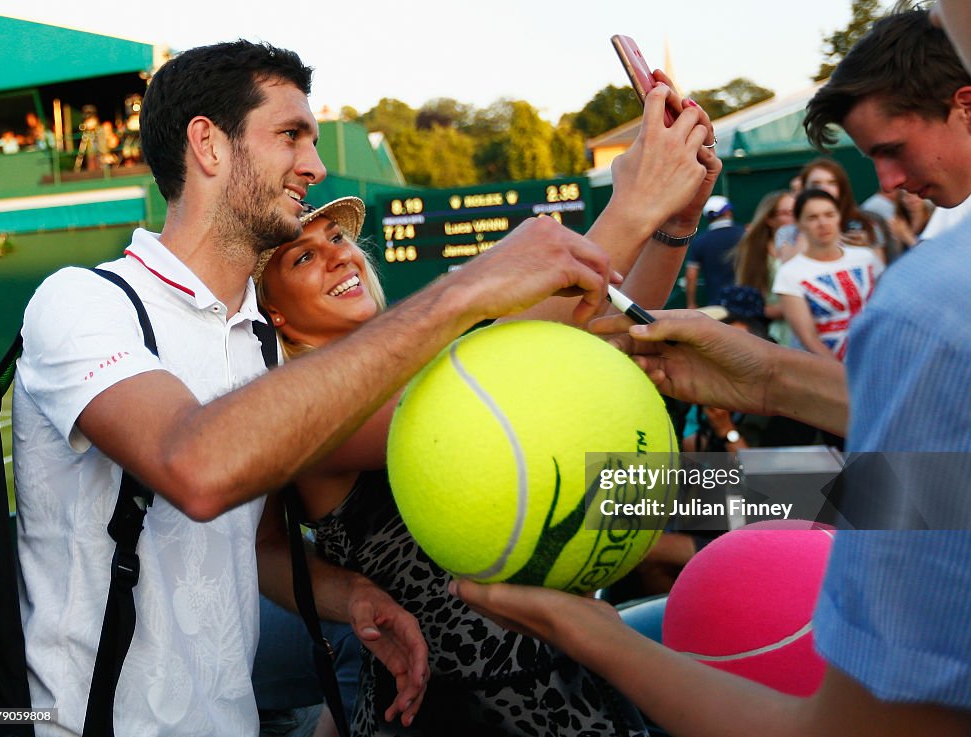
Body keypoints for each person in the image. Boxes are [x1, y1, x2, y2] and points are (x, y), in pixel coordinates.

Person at [13, 39, 644, 737]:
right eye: (290, 136)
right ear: (208, 145)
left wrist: (355, 597)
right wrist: (470, 287)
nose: (313, 166)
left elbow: (256, 548)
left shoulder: (258, 343)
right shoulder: (84, 301)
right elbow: (192, 466)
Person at [454, 8, 971, 736]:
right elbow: (951, 475)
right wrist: (770, 379)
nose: (889, 181)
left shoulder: (936, 300)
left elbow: (938, 486)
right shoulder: (944, 288)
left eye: (893, 150)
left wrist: (599, 635)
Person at [252, 80, 720, 736]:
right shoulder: (313, 414)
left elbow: (595, 331)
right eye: (304, 255)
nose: (337, 254)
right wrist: (633, 202)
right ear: (272, 311)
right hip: (453, 709)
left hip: (567, 672)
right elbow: (492, 358)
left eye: (337, 236)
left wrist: (671, 221)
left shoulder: (430, 366)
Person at [772, 188, 883, 360]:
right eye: (812, 217)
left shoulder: (866, 258)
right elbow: (808, 338)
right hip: (831, 373)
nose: (823, 223)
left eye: (829, 214)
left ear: (839, 216)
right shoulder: (790, 274)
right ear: (799, 224)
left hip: (880, 356)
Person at [731, 189, 795, 343]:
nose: (794, 217)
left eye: (797, 211)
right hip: (777, 332)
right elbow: (753, 302)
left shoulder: (809, 245)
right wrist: (789, 309)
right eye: (787, 213)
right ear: (770, 219)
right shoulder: (758, 252)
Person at [684, 195, 745, 309]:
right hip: (747, 302)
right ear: (728, 212)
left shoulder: (699, 241)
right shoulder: (745, 235)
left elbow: (691, 275)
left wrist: (691, 303)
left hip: (716, 305)